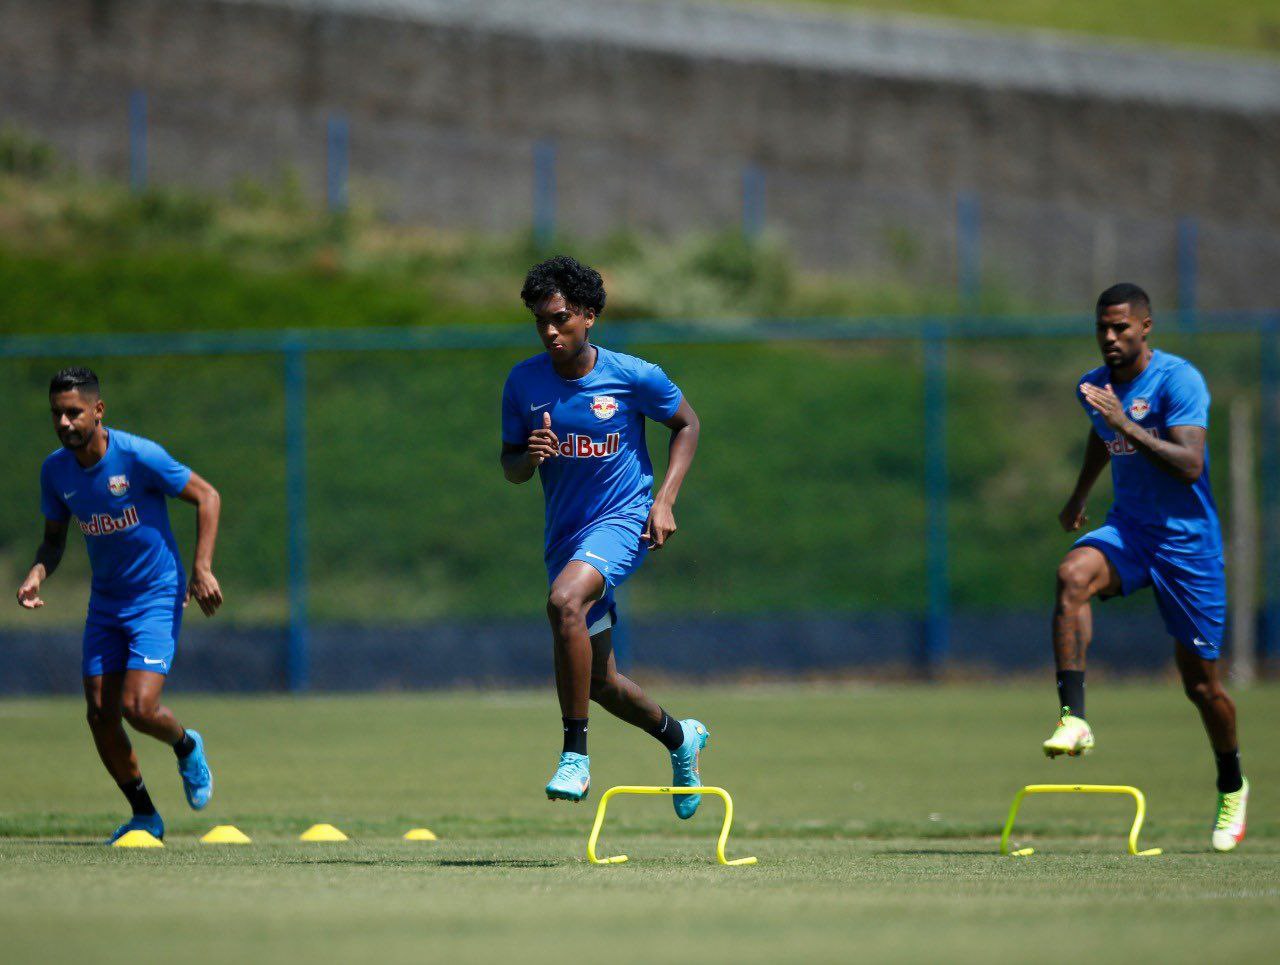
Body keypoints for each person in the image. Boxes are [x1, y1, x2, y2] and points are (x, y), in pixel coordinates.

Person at [500, 255, 708, 814]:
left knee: (564, 600)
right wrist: (530, 455)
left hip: (622, 520)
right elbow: (511, 467)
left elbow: (687, 424)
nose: (550, 331)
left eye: (561, 318)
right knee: (601, 682)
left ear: (589, 315)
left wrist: (664, 500)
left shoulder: (634, 375)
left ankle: (575, 754)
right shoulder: (523, 382)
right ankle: (680, 737)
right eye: (541, 320)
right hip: (565, 537)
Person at [1045, 283, 1247, 852]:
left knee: (1203, 688)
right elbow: (1099, 432)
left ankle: (1232, 783)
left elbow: (1188, 465)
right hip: (1130, 530)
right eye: (1102, 329)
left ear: (1146, 327)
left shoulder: (1180, 380)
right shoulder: (1095, 386)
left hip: (1187, 548)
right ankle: (1074, 719)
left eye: (1121, 328)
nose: (1110, 338)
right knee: (1072, 576)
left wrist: (1126, 424)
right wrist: (1080, 492)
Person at [17, 367, 222, 844]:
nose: (64, 423)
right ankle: (145, 816)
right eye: (57, 414)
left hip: (156, 595)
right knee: (99, 715)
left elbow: (207, 497)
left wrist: (203, 568)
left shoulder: (139, 456)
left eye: (73, 412)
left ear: (98, 411)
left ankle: (187, 745)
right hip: (106, 603)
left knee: (138, 706)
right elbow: (52, 542)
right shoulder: (55, 470)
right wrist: (37, 572)